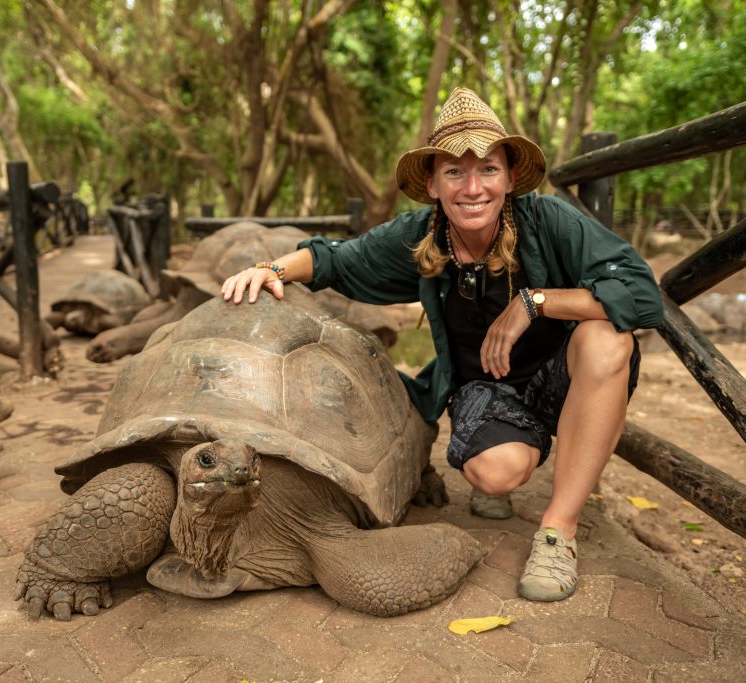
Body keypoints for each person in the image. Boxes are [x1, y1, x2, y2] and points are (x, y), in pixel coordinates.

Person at [221, 88, 663, 602]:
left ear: (511, 176)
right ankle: (504, 448)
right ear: (432, 184)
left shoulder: (550, 221)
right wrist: (267, 270)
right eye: (455, 171)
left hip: (560, 377)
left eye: (488, 170)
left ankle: (558, 531)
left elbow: (640, 292)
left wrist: (534, 301)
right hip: (485, 385)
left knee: (608, 339)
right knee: (497, 474)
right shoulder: (420, 237)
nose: (473, 188)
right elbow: (334, 260)